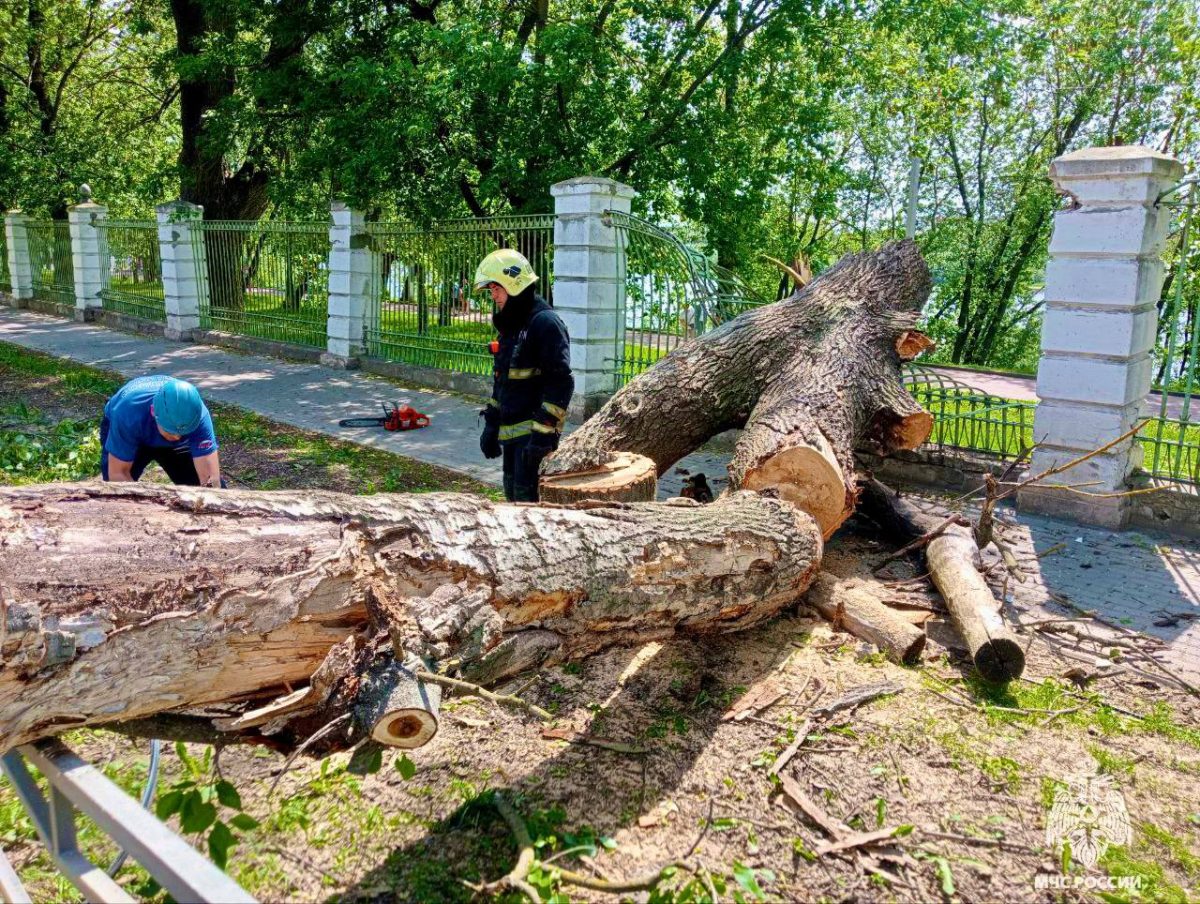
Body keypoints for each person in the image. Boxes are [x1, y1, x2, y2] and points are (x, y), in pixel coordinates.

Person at [476, 248, 573, 502]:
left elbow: (561, 383)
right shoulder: (512, 324)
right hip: (512, 442)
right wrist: (491, 424)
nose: (493, 295)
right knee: (513, 504)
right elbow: (503, 382)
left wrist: (543, 435)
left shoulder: (545, 324)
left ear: (514, 284)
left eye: (497, 288)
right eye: (491, 289)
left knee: (531, 512)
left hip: (533, 444)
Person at [100, 375, 223, 487]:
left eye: (183, 432)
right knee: (114, 493)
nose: (177, 438)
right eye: (171, 431)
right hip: (132, 432)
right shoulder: (127, 415)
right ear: (154, 412)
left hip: (168, 438)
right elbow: (117, 475)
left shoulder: (198, 416)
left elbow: (211, 481)